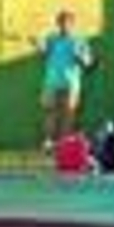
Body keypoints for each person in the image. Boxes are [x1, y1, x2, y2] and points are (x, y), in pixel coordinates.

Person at [38, 9, 96, 149]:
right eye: (61, 22)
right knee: (49, 112)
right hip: (51, 82)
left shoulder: (79, 41)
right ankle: (48, 141)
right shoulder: (51, 39)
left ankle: (65, 143)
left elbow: (89, 63)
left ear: (72, 24)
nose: (64, 25)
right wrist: (41, 48)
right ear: (58, 23)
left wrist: (80, 56)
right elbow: (44, 54)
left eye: (67, 22)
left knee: (69, 114)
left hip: (71, 84)